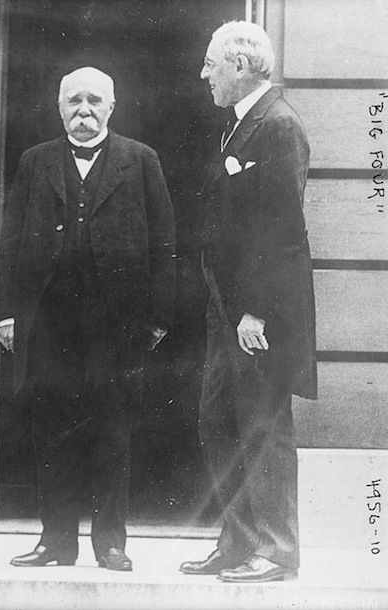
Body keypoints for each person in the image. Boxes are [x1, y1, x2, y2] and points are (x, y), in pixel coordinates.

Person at [0, 66, 176, 571]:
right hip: (49, 321)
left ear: (111, 108)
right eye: (74, 101)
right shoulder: (35, 162)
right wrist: (4, 313)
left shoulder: (141, 160)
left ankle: (111, 543)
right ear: (60, 107)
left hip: (116, 321)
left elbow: (164, 242)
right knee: (52, 430)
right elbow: (9, 240)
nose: (84, 110)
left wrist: (158, 316)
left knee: (113, 431)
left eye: (94, 101)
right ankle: (56, 541)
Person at [179, 21, 316, 583]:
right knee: (218, 422)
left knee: (263, 428)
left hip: (259, 316)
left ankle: (277, 550)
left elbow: (283, 232)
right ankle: (237, 542)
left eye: (211, 64)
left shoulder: (278, 125)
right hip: (228, 311)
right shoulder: (239, 125)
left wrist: (255, 310)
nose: (204, 75)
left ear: (239, 66)